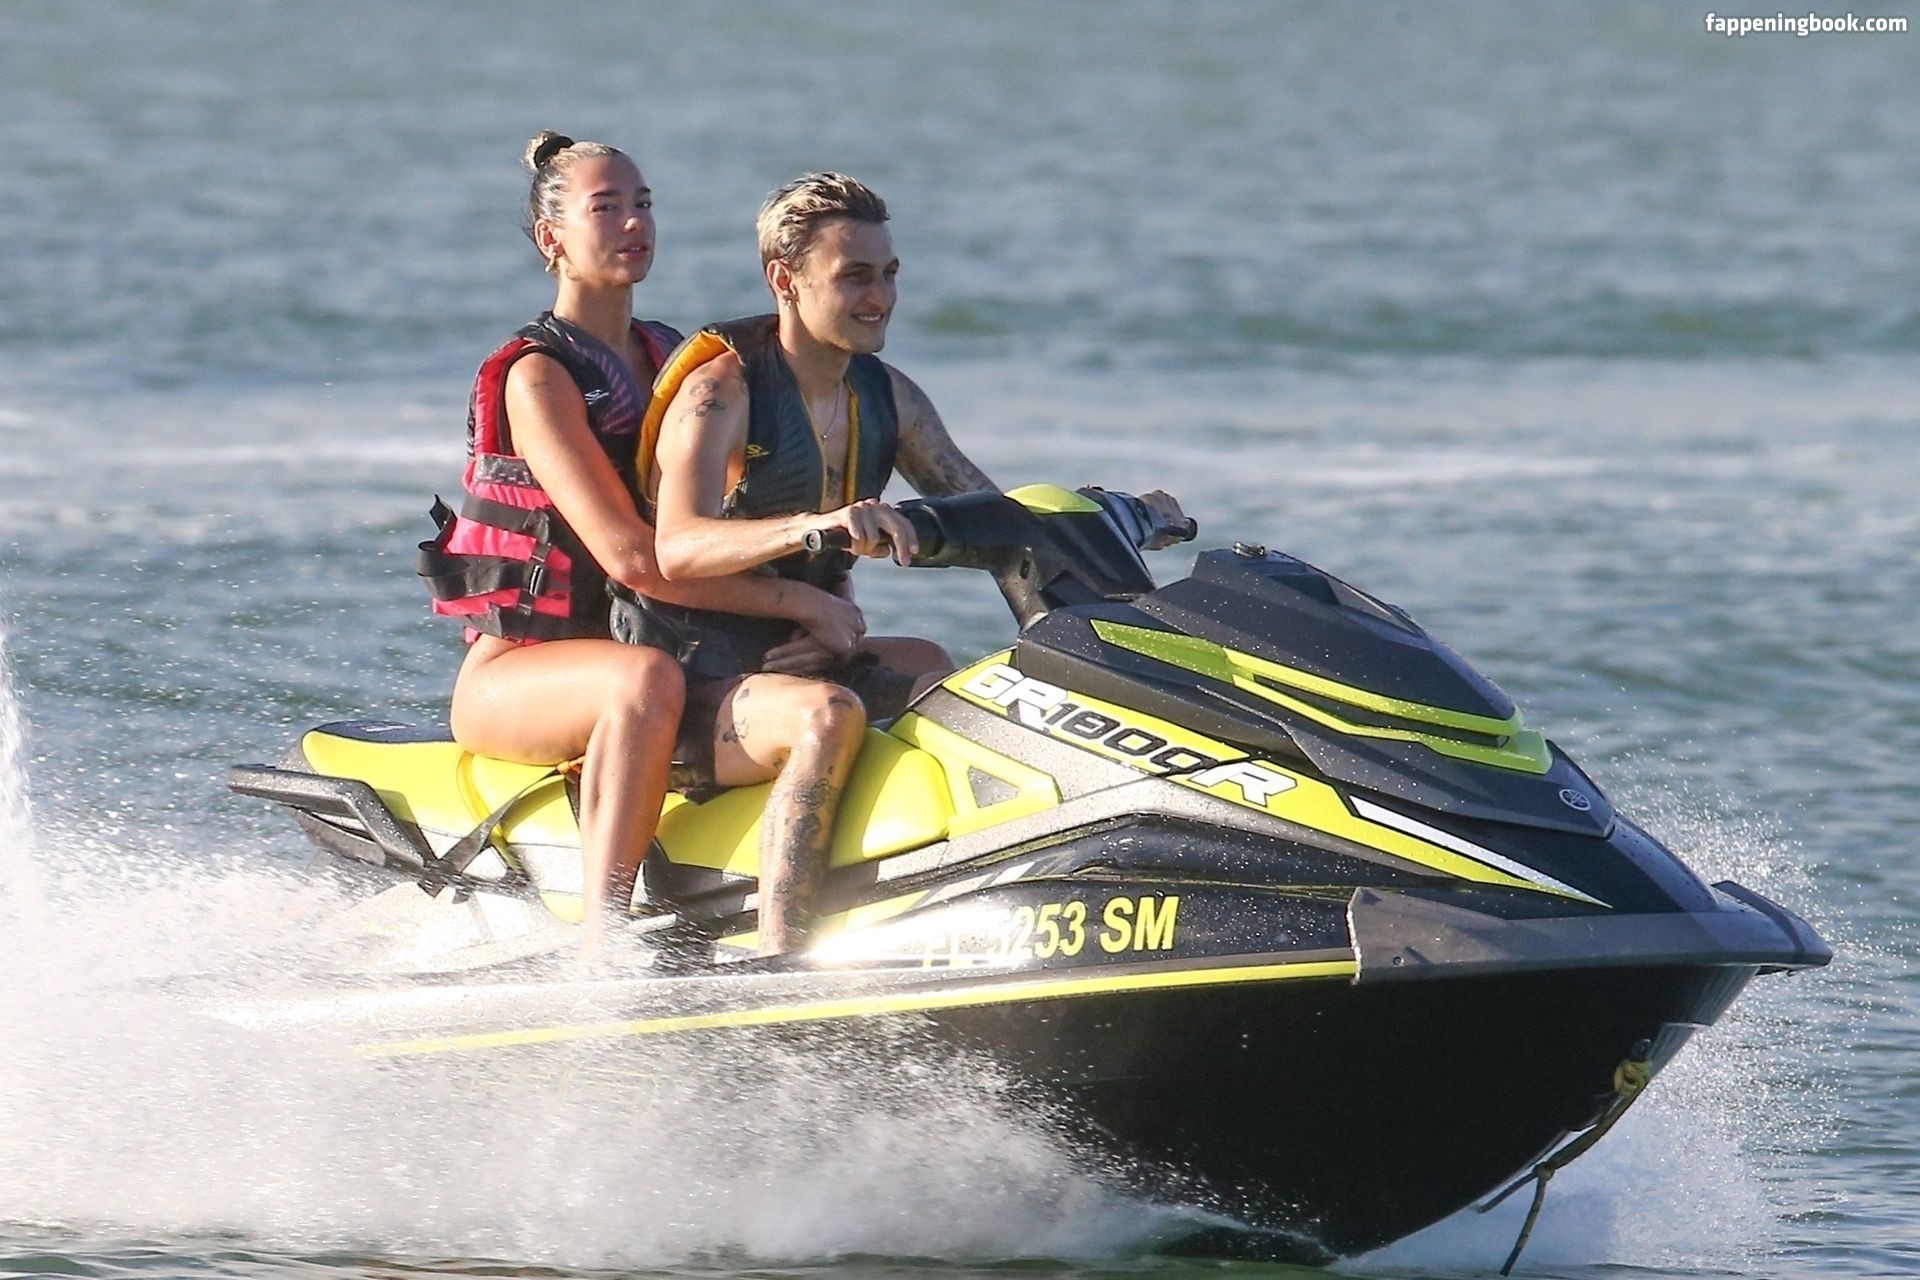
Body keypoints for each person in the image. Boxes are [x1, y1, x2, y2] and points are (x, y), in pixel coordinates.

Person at [634, 172, 1182, 954]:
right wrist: (815, 532)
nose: (880, 297)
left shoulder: (888, 397)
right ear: (784, 280)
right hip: (695, 684)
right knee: (828, 716)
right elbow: (677, 545)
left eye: (889, 274)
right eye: (854, 276)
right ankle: (781, 952)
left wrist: (1107, 516)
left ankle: (951, 905)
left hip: (795, 661)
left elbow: (992, 516)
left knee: (951, 684)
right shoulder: (721, 392)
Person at [417, 136, 862, 947]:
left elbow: (744, 517)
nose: (634, 223)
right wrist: (796, 602)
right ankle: (605, 942)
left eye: (644, 204)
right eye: (607, 207)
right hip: (521, 669)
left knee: (902, 663)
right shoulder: (538, 377)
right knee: (643, 680)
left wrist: (821, 607)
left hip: (658, 638)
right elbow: (631, 558)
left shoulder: (674, 357)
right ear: (552, 237)